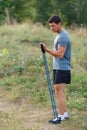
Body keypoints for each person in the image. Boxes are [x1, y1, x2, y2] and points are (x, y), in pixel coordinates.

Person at [41, 14, 71, 124]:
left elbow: (60, 54)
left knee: (59, 92)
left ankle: (61, 116)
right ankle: (65, 114)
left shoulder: (63, 36)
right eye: (50, 26)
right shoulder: (58, 35)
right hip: (58, 67)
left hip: (62, 68)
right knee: (58, 91)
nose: (52, 28)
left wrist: (46, 50)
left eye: (53, 26)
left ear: (59, 24)